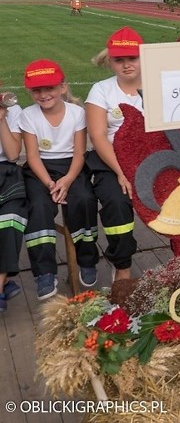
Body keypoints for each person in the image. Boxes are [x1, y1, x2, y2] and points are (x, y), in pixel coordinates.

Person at [19, 60, 98, 299]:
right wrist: (50, 184)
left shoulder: (77, 113)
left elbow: (79, 153)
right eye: (37, 90)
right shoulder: (28, 115)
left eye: (49, 88)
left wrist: (68, 179)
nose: (44, 95)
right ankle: (44, 272)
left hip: (71, 167)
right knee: (39, 207)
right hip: (40, 170)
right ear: (30, 92)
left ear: (63, 87)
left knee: (84, 199)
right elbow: (32, 156)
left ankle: (87, 258)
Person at [85, 27, 144, 283]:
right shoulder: (101, 90)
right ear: (110, 61)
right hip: (112, 162)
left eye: (132, 58)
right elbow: (98, 137)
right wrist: (121, 172)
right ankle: (122, 266)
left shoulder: (159, 85)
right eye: (119, 60)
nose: (127, 65)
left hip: (153, 158)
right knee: (115, 202)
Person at [0, 93, 27, 313]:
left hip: (6, 171)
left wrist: (1, 119)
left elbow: (12, 153)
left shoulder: (12, 110)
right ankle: (3, 284)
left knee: (10, 221)